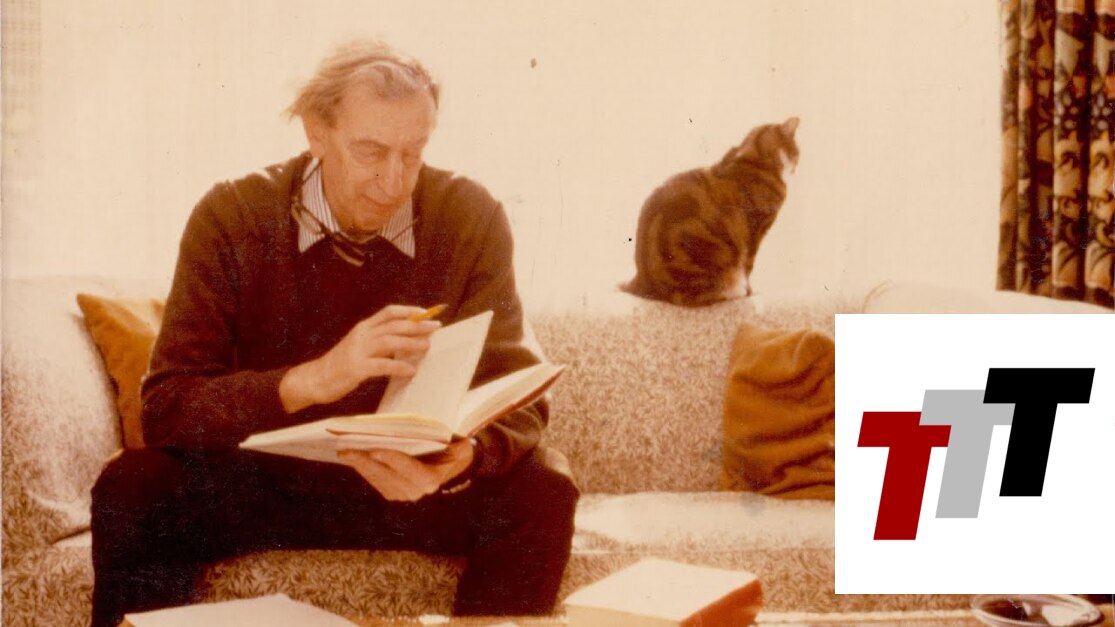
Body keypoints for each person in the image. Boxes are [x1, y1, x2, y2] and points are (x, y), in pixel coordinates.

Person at [90, 39, 579, 627]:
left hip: (412, 488)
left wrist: (463, 459)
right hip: (264, 485)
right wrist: (316, 379)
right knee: (134, 485)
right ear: (315, 133)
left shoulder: (470, 215)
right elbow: (168, 408)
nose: (393, 181)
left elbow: (520, 394)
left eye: (413, 153)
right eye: (370, 151)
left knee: (544, 486)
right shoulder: (231, 215)